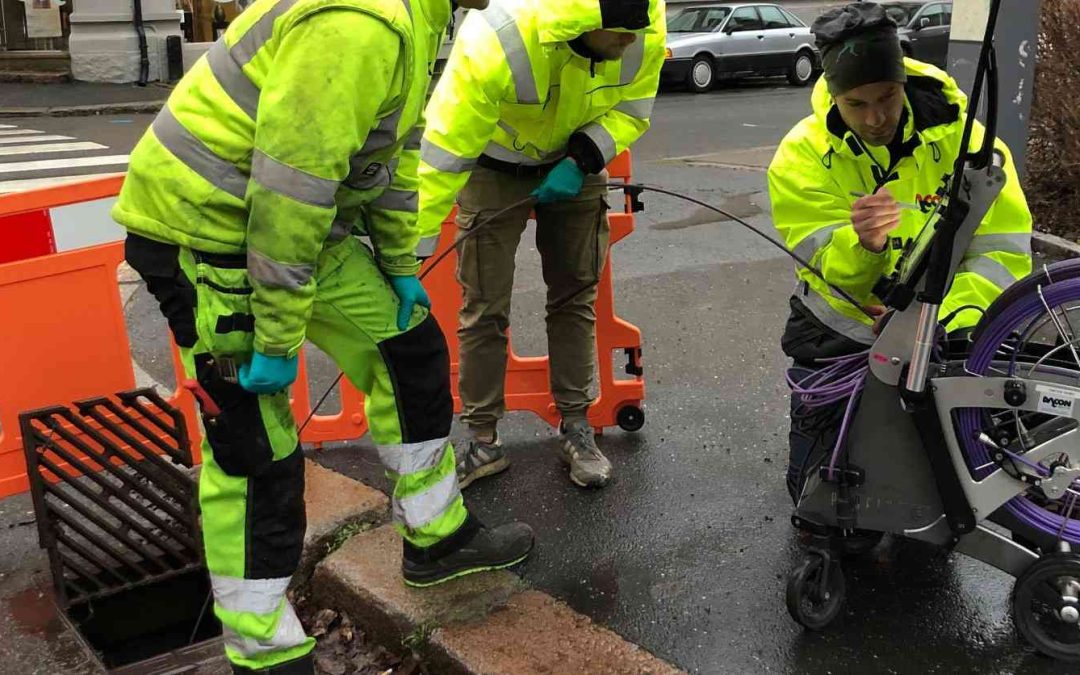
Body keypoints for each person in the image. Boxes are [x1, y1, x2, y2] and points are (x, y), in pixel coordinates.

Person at [111, 0, 534, 672]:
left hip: (294, 227)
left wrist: (397, 265)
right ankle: (265, 650)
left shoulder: (419, 16)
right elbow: (289, 194)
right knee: (256, 449)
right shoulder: (360, 22)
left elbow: (391, 156)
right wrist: (277, 340)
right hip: (206, 235)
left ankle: (436, 538)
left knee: (408, 349)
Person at [767, 3, 1032, 504]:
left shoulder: (967, 143)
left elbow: (1000, 250)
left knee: (935, 481)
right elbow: (821, 262)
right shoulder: (800, 156)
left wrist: (934, 325)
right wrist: (861, 246)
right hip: (839, 327)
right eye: (856, 104)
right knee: (816, 496)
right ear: (834, 96)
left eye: (887, 97)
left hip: (946, 328)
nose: (875, 118)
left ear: (903, 81)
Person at [415, 0, 666, 489]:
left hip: (576, 159)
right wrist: (412, 256)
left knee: (575, 298)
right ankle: (483, 440)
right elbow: (441, 155)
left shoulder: (643, 25)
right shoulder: (496, 40)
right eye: (617, 32)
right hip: (492, 165)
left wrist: (583, 157)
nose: (630, 41)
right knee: (483, 305)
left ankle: (576, 425)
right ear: (582, 20)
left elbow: (633, 108)